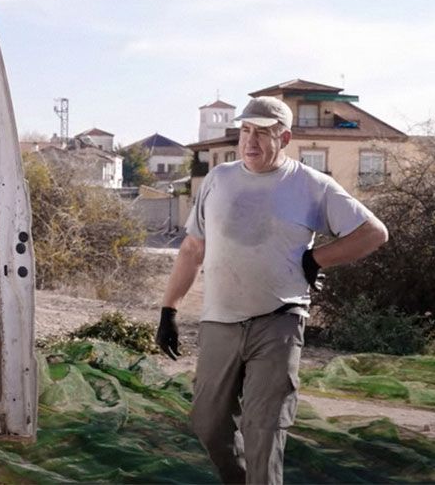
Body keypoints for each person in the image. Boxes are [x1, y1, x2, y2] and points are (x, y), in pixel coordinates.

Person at [156, 96, 388, 484]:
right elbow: (194, 248)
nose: (251, 141)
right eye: (246, 131)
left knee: (263, 432)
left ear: (285, 137)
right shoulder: (219, 179)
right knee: (208, 424)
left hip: (279, 321)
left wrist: (316, 260)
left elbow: (373, 233)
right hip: (219, 322)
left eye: (262, 133)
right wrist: (169, 311)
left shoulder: (312, 185)